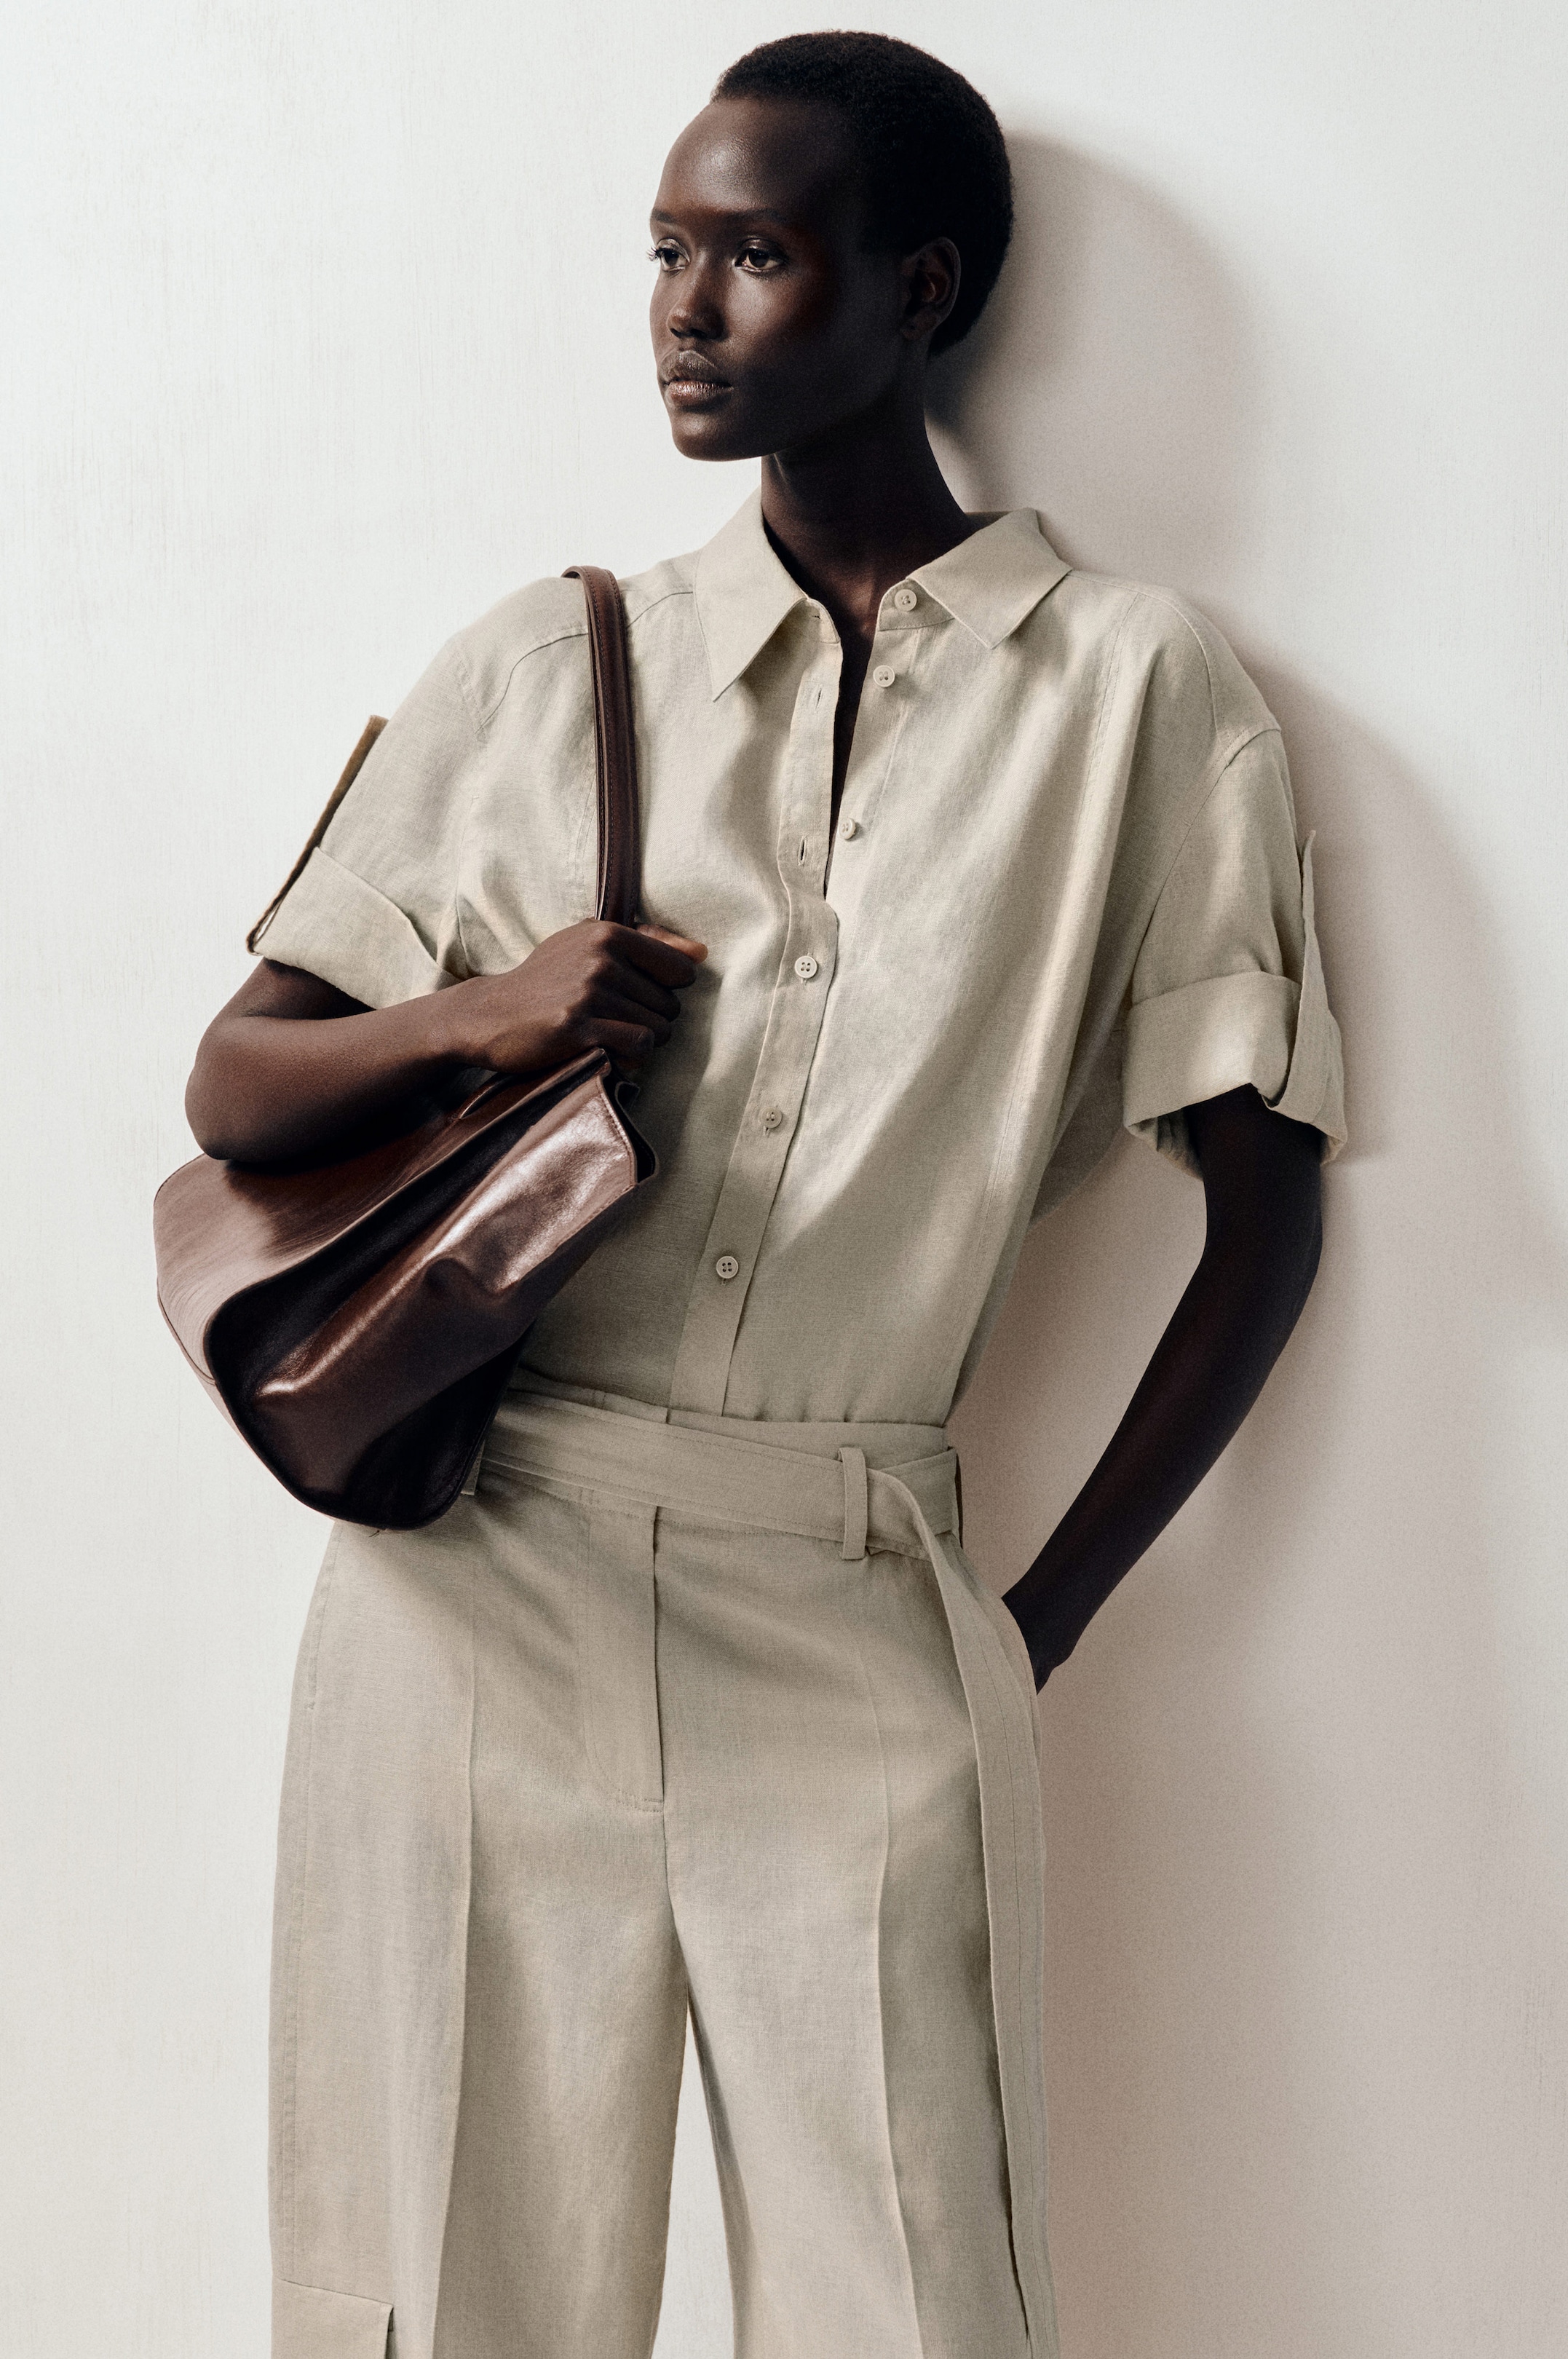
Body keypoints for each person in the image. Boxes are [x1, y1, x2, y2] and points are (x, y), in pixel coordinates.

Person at [186, 31, 1344, 2359]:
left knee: (916, 2299)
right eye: (666, 252)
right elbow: (240, 1083)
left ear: (917, 288)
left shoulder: (1136, 697)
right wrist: (489, 1011)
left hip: (860, 1592)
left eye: (755, 253)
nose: (685, 311)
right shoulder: (548, 657)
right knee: (448, 2294)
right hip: (476, 1593)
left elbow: (1263, 1212)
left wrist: (1036, 1624)